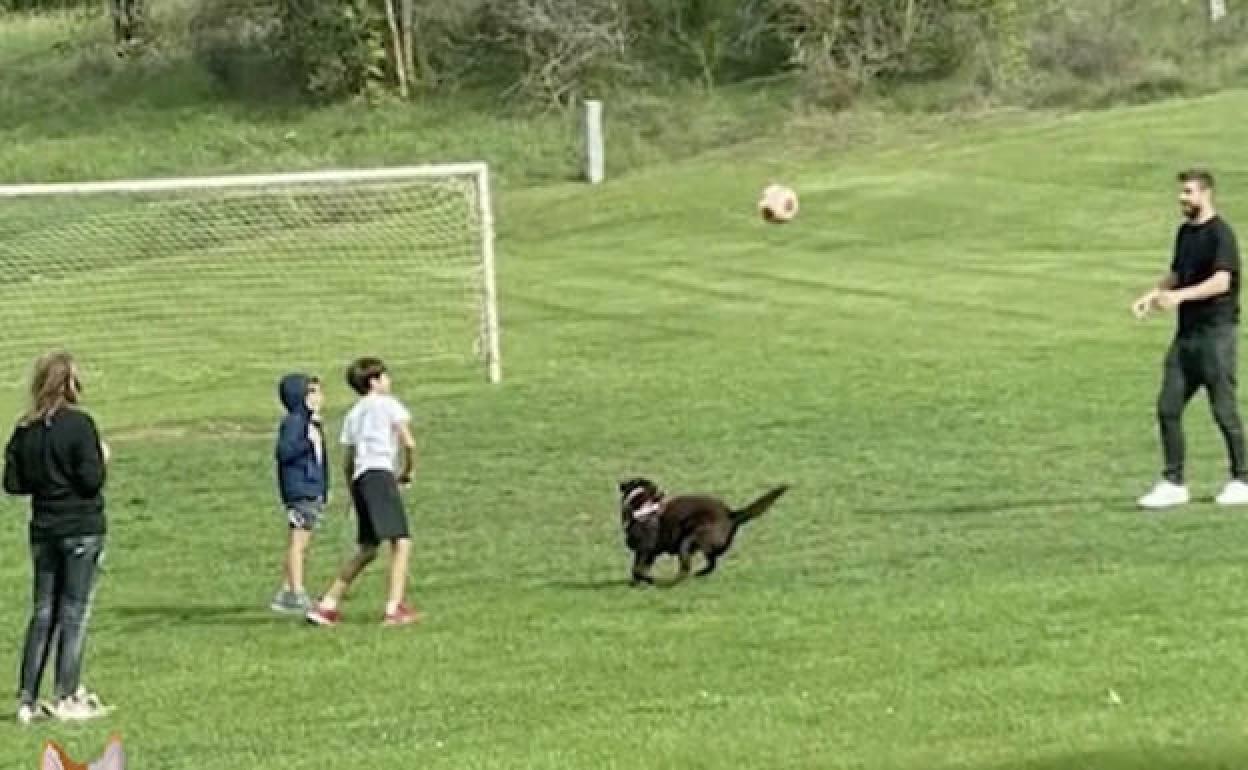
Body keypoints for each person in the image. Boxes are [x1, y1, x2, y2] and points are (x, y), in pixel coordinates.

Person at [3, 352, 113, 724]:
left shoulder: (25, 430)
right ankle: (66, 693)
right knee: (74, 612)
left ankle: (27, 697)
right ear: (70, 383)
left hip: (44, 529)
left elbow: (13, 483)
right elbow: (91, 481)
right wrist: (101, 459)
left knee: (43, 612)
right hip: (80, 527)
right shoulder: (80, 425)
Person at [1132, 169, 1248, 509]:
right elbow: (1177, 273)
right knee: (1167, 407)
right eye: (1181, 192)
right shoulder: (1185, 233)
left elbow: (1222, 282)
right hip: (1186, 338)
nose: (1182, 198)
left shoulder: (1221, 235)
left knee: (1223, 410)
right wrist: (1153, 294)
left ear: (1206, 194)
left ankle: (1242, 479)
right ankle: (1173, 482)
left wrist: (1180, 297)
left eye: (1188, 192)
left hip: (1216, 336)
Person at [306, 357, 419, 627]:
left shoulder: (354, 414)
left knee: (368, 548)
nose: (389, 381)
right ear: (374, 382)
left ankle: (328, 603)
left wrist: (353, 492)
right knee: (401, 541)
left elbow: (348, 460)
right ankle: (394, 606)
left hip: (361, 478)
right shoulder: (389, 404)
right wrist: (408, 471)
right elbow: (409, 442)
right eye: (385, 376)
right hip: (380, 473)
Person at [271, 373, 328, 614]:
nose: (319, 397)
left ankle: (287, 589)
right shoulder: (296, 423)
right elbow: (284, 452)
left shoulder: (310, 422)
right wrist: (306, 441)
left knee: (302, 541)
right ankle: (296, 591)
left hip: (311, 487)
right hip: (301, 488)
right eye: (312, 392)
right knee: (298, 542)